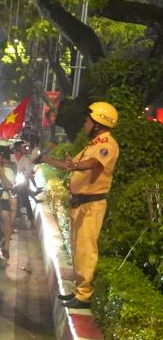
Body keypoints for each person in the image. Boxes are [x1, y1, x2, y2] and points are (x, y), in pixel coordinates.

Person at [40, 101, 120, 309]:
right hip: (80, 205)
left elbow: (92, 164)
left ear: (98, 123)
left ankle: (84, 296)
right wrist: (44, 159)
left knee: (86, 250)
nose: (84, 124)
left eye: (87, 121)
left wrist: (77, 165)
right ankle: (79, 291)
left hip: (91, 206)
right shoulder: (92, 145)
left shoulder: (106, 145)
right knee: (77, 249)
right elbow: (70, 166)